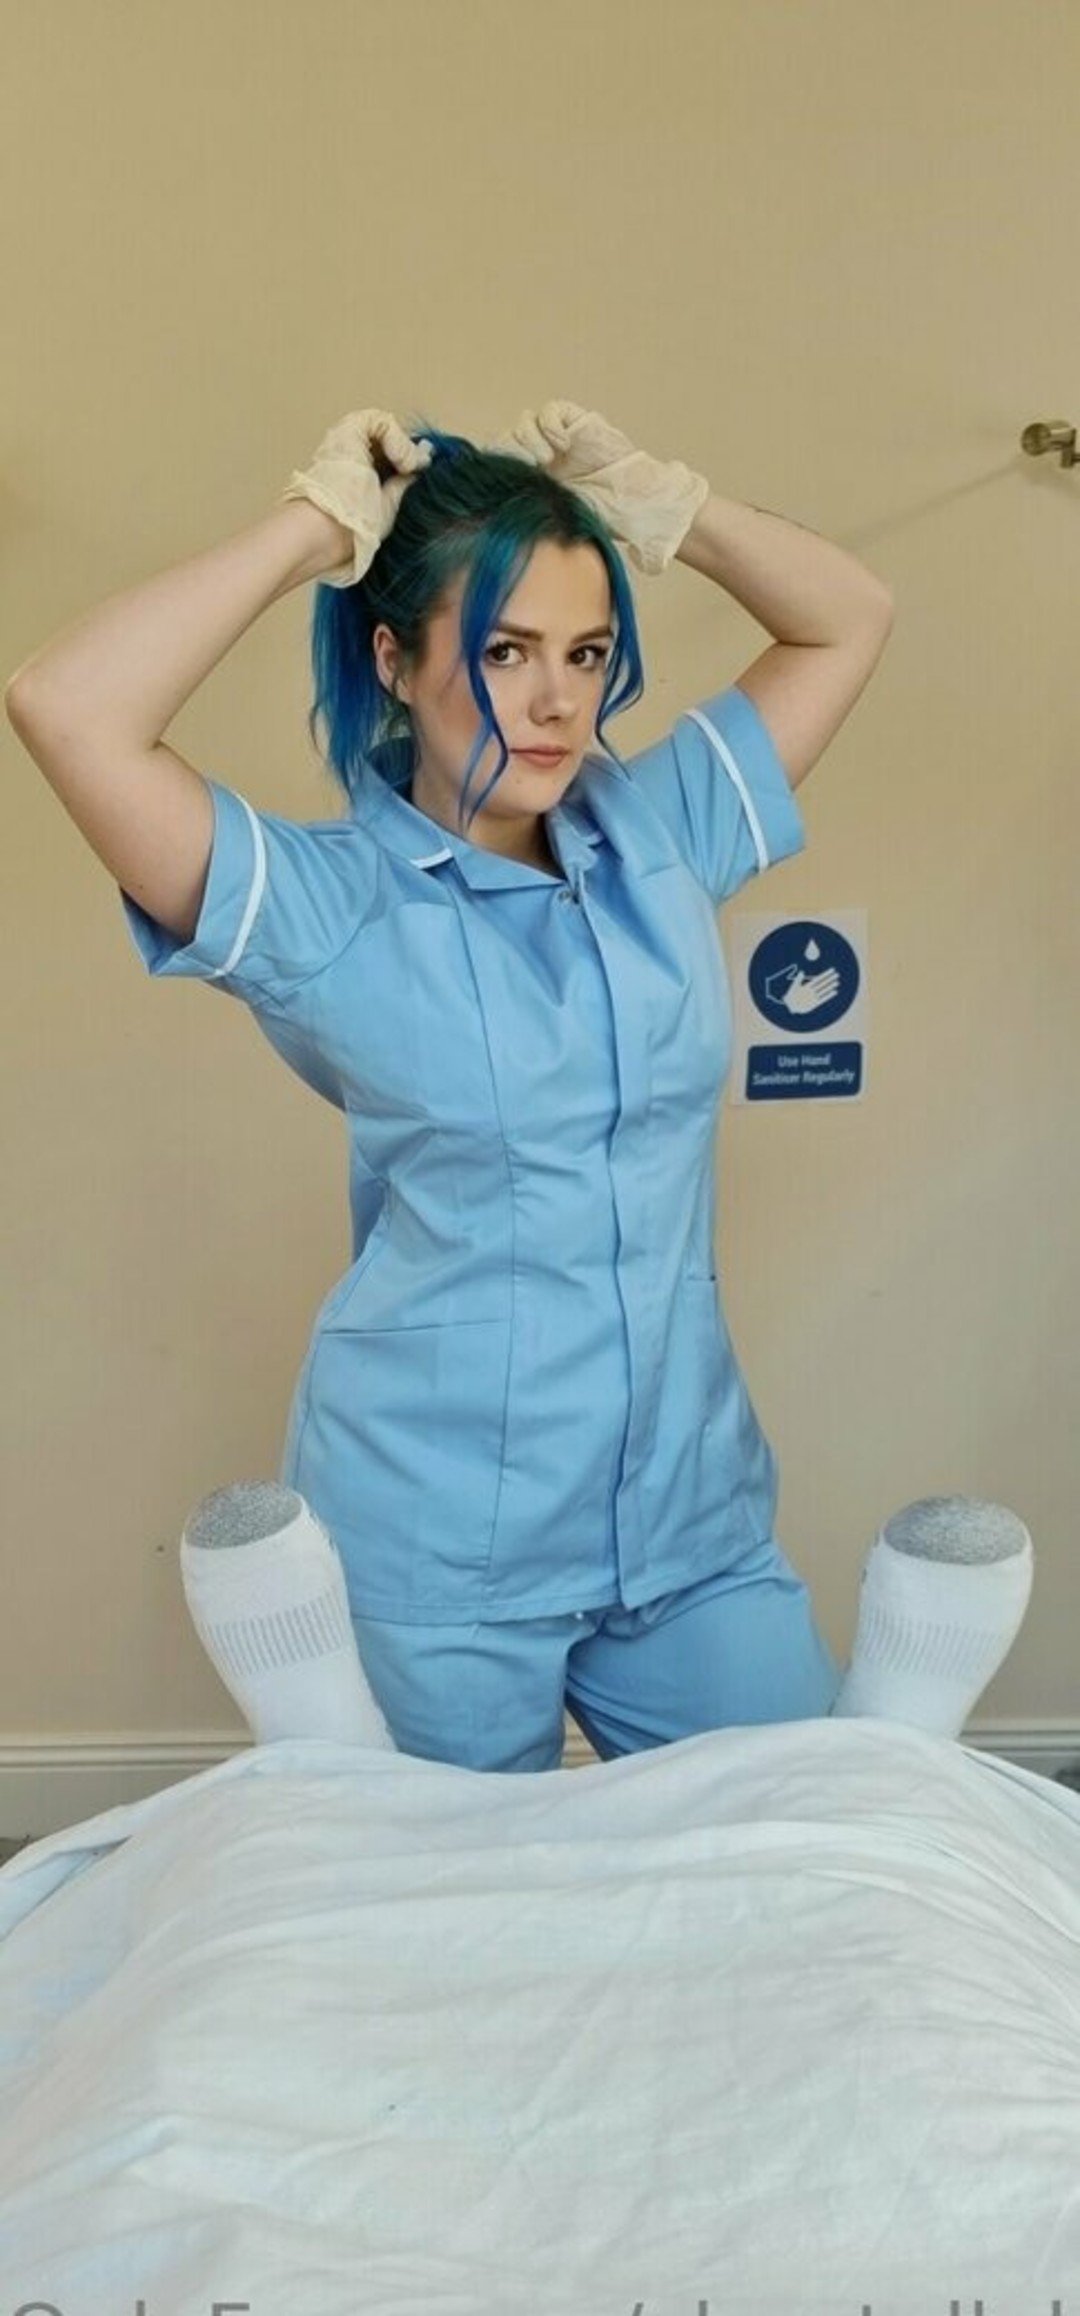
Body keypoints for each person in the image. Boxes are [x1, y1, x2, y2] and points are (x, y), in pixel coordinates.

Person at [6, 401, 1032, 1771]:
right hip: (437, 1550)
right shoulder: (327, 904)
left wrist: (674, 511)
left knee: (810, 1830)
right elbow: (66, 708)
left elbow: (848, 618)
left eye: (586, 653)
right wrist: (311, 531)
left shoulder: (661, 834)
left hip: (686, 1527)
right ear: (394, 658)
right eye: (504, 651)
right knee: (444, 1896)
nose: (558, 702)